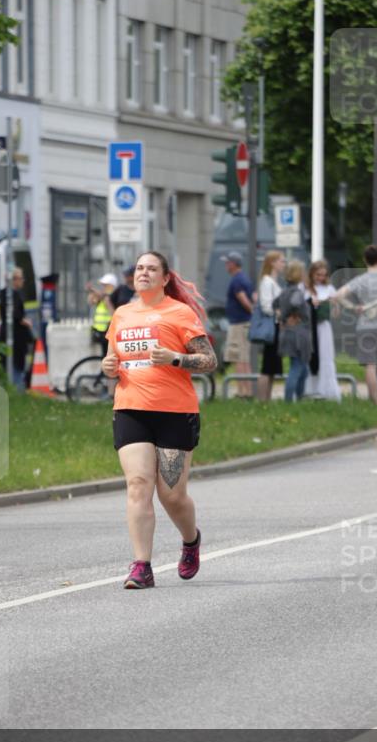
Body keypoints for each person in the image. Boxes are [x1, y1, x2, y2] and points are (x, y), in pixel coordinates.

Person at [101, 251, 217, 590]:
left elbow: (209, 360)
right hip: (130, 408)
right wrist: (108, 366)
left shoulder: (179, 313)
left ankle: (191, 540)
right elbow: (113, 358)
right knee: (138, 485)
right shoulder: (121, 314)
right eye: (139, 268)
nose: (144, 273)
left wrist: (176, 358)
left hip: (174, 412)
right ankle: (142, 566)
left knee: (172, 495)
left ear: (165, 278)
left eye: (152, 269)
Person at [336, 244, 377, 405]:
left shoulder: (360, 280)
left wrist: (353, 307)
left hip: (365, 326)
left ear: (365, 260)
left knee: (370, 366)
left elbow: (339, 295)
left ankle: (375, 403)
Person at [305, 259, 341, 402]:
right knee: (312, 356)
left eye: (323, 275)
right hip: (310, 328)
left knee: (326, 357)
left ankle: (326, 390)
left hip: (324, 327)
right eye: (318, 275)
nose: (320, 278)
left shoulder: (330, 289)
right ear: (312, 273)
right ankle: (311, 390)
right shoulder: (306, 288)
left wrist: (334, 305)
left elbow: (335, 314)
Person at [276, 260, 312, 402]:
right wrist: (293, 315)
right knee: (297, 368)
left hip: (289, 333)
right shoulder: (297, 292)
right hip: (299, 334)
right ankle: (289, 401)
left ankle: (299, 398)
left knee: (303, 369)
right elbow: (295, 303)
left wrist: (282, 317)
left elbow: (275, 304)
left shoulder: (284, 291)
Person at [221, 250, 254, 397]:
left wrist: (252, 313)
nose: (226, 266)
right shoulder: (244, 278)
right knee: (244, 358)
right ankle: (247, 390)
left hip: (239, 324)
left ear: (233, 264)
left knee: (239, 358)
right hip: (244, 323)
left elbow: (244, 300)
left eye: (227, 263)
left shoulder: (236, 281)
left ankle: (243, 392)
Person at [256, 250, 285, 401]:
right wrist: (280, 313)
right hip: (271, 328)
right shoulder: (267, 282)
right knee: (267, 367)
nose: (283, 264)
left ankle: (267, 399)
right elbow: (266, 306)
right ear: (273, 263)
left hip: (276, 327)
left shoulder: (273, 282)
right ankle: (262, 399)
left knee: (272, 366)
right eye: (281, 261)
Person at [0, 266, 34, 392]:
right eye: (21, 278)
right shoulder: (8, 295)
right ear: (14, 280)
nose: (23, 281)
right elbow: (12, 313)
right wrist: (23, 321)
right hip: (15, 337)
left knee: (17, 364)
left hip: (17, 337)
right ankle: (17, 390)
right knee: (15, 366)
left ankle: (17, 388)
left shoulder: (13, 294)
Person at [88, 272, 116, 357]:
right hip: (100, 331)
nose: (104, 288)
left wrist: (94, 291)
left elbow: (113, 313)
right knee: (104, 355)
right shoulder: (103, 297)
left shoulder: (112, 297)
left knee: (108, 356)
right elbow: (91, 301)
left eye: (106, 285)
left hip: (108, 331)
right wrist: (92, 292)